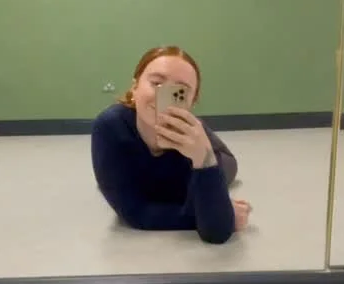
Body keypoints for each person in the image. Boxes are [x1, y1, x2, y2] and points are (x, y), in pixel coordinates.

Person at [91, 46, 252, 244]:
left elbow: (216, 231)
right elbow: (136, 213)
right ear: (135, 87)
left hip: (215, 156)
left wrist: (204, 157)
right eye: (156, 83)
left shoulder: (192, 146)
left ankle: (203, 132)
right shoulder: (110, 126)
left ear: (191, 102)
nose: (163, 96)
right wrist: (208, 214)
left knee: (226, 165)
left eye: (179, 91)